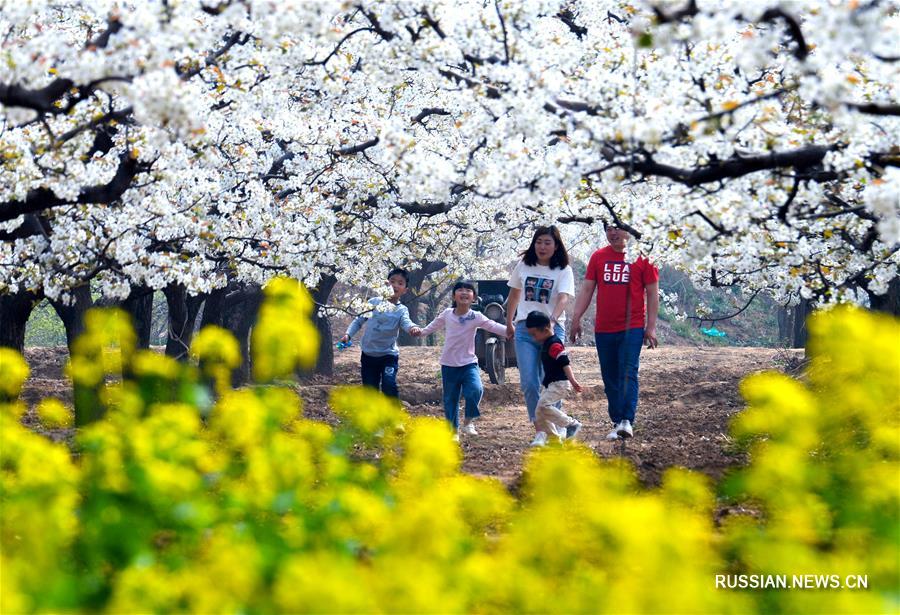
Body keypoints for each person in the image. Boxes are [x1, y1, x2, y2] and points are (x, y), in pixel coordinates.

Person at [570, 223, 659, 440]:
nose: (613, 233)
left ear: (629, 229)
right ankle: (617, 421)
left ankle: (627, 420)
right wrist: (576, 318)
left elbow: (652, 292)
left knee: (628, 371)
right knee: (609, 376)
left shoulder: (644, 258)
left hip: (632, 327)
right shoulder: (599, 257)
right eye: (609, 229)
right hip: (604, 327)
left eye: (617, 228)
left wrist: (651, 327)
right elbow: (587, 289)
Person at [415, 281, 510, 441]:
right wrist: (419, 332)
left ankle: (468, 422)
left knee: (476, 390)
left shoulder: (475, 316)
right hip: (448, 364)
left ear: (474, 298)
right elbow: (431, 327)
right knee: (450, 399)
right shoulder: (447, 314)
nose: (464, 292)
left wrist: (512, 331)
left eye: (468, 290)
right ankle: (453, 431)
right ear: (454, 296)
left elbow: (493, 326)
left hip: (468, 363)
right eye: (460, 290)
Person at [506, 226, 576, 436]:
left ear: (556, 246)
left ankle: (558, 427)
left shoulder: (563, 270)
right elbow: (514, 294)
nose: (542, 247)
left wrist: (552, 321)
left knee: (552, 381)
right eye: (538, 242)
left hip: (551, 330)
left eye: (547, 243)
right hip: (525, 328)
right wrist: (509, 322)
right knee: (529, 382)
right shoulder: (524, 265)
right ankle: (541, 431)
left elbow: (563, 297)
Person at [341, 268, 422, 399]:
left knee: (389, 385)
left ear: (405, 290)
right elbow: (358, 321)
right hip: (368, 355)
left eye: (400, 283)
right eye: (392, 281)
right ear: (386, 283)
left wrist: (413, 328)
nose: (395, 285)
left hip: (388, 356)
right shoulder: (373, 302)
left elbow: (406, 322)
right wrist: (348, 335)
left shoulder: (401, 310)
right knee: (370, 391)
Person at [524, 311, 583, 447]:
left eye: (534, 334)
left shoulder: (554, 344)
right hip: (550, 384)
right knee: (539, 412)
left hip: (559, 384)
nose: (533, 338)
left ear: (545, 330)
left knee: (544, 406)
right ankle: (554, 439)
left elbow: (565, 363)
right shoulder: (546, 342)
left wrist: (573, 381)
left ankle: (571, 424)